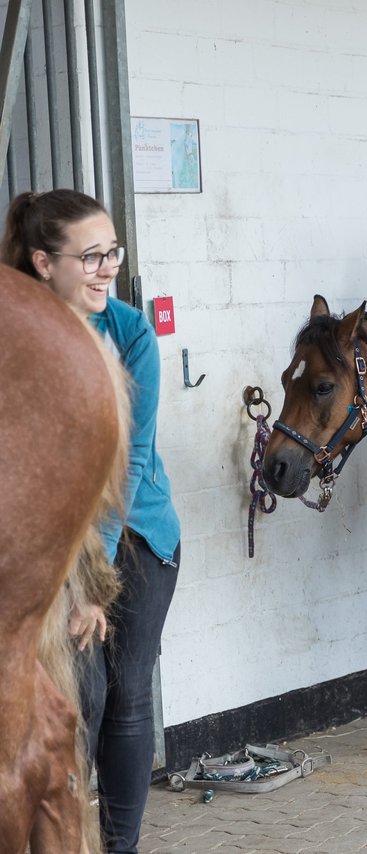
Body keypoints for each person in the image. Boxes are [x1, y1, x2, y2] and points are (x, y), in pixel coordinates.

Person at [2, 189, 181, 852]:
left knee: (128, 698)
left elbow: (128, 464)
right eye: (93, 257)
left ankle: (121, 847)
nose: (108, 268)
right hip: (50, 540)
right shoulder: (18, 332)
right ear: (43, 264)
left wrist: (94, 580)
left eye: (114, 252)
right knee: (83, 697)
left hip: (132, 534)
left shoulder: (132, 334)